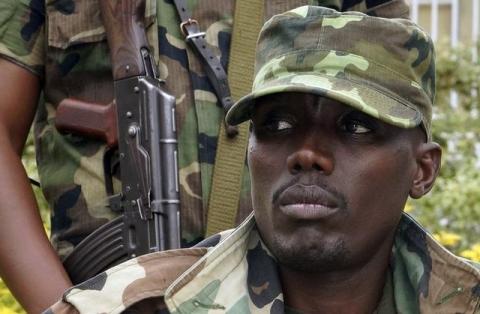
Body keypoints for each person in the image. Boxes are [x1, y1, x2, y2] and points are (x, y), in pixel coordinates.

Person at [45, 5, 480, 314]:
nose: (307, 154)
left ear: (422, 171)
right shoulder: (124, 307)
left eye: (356, 127)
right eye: (277, 124)